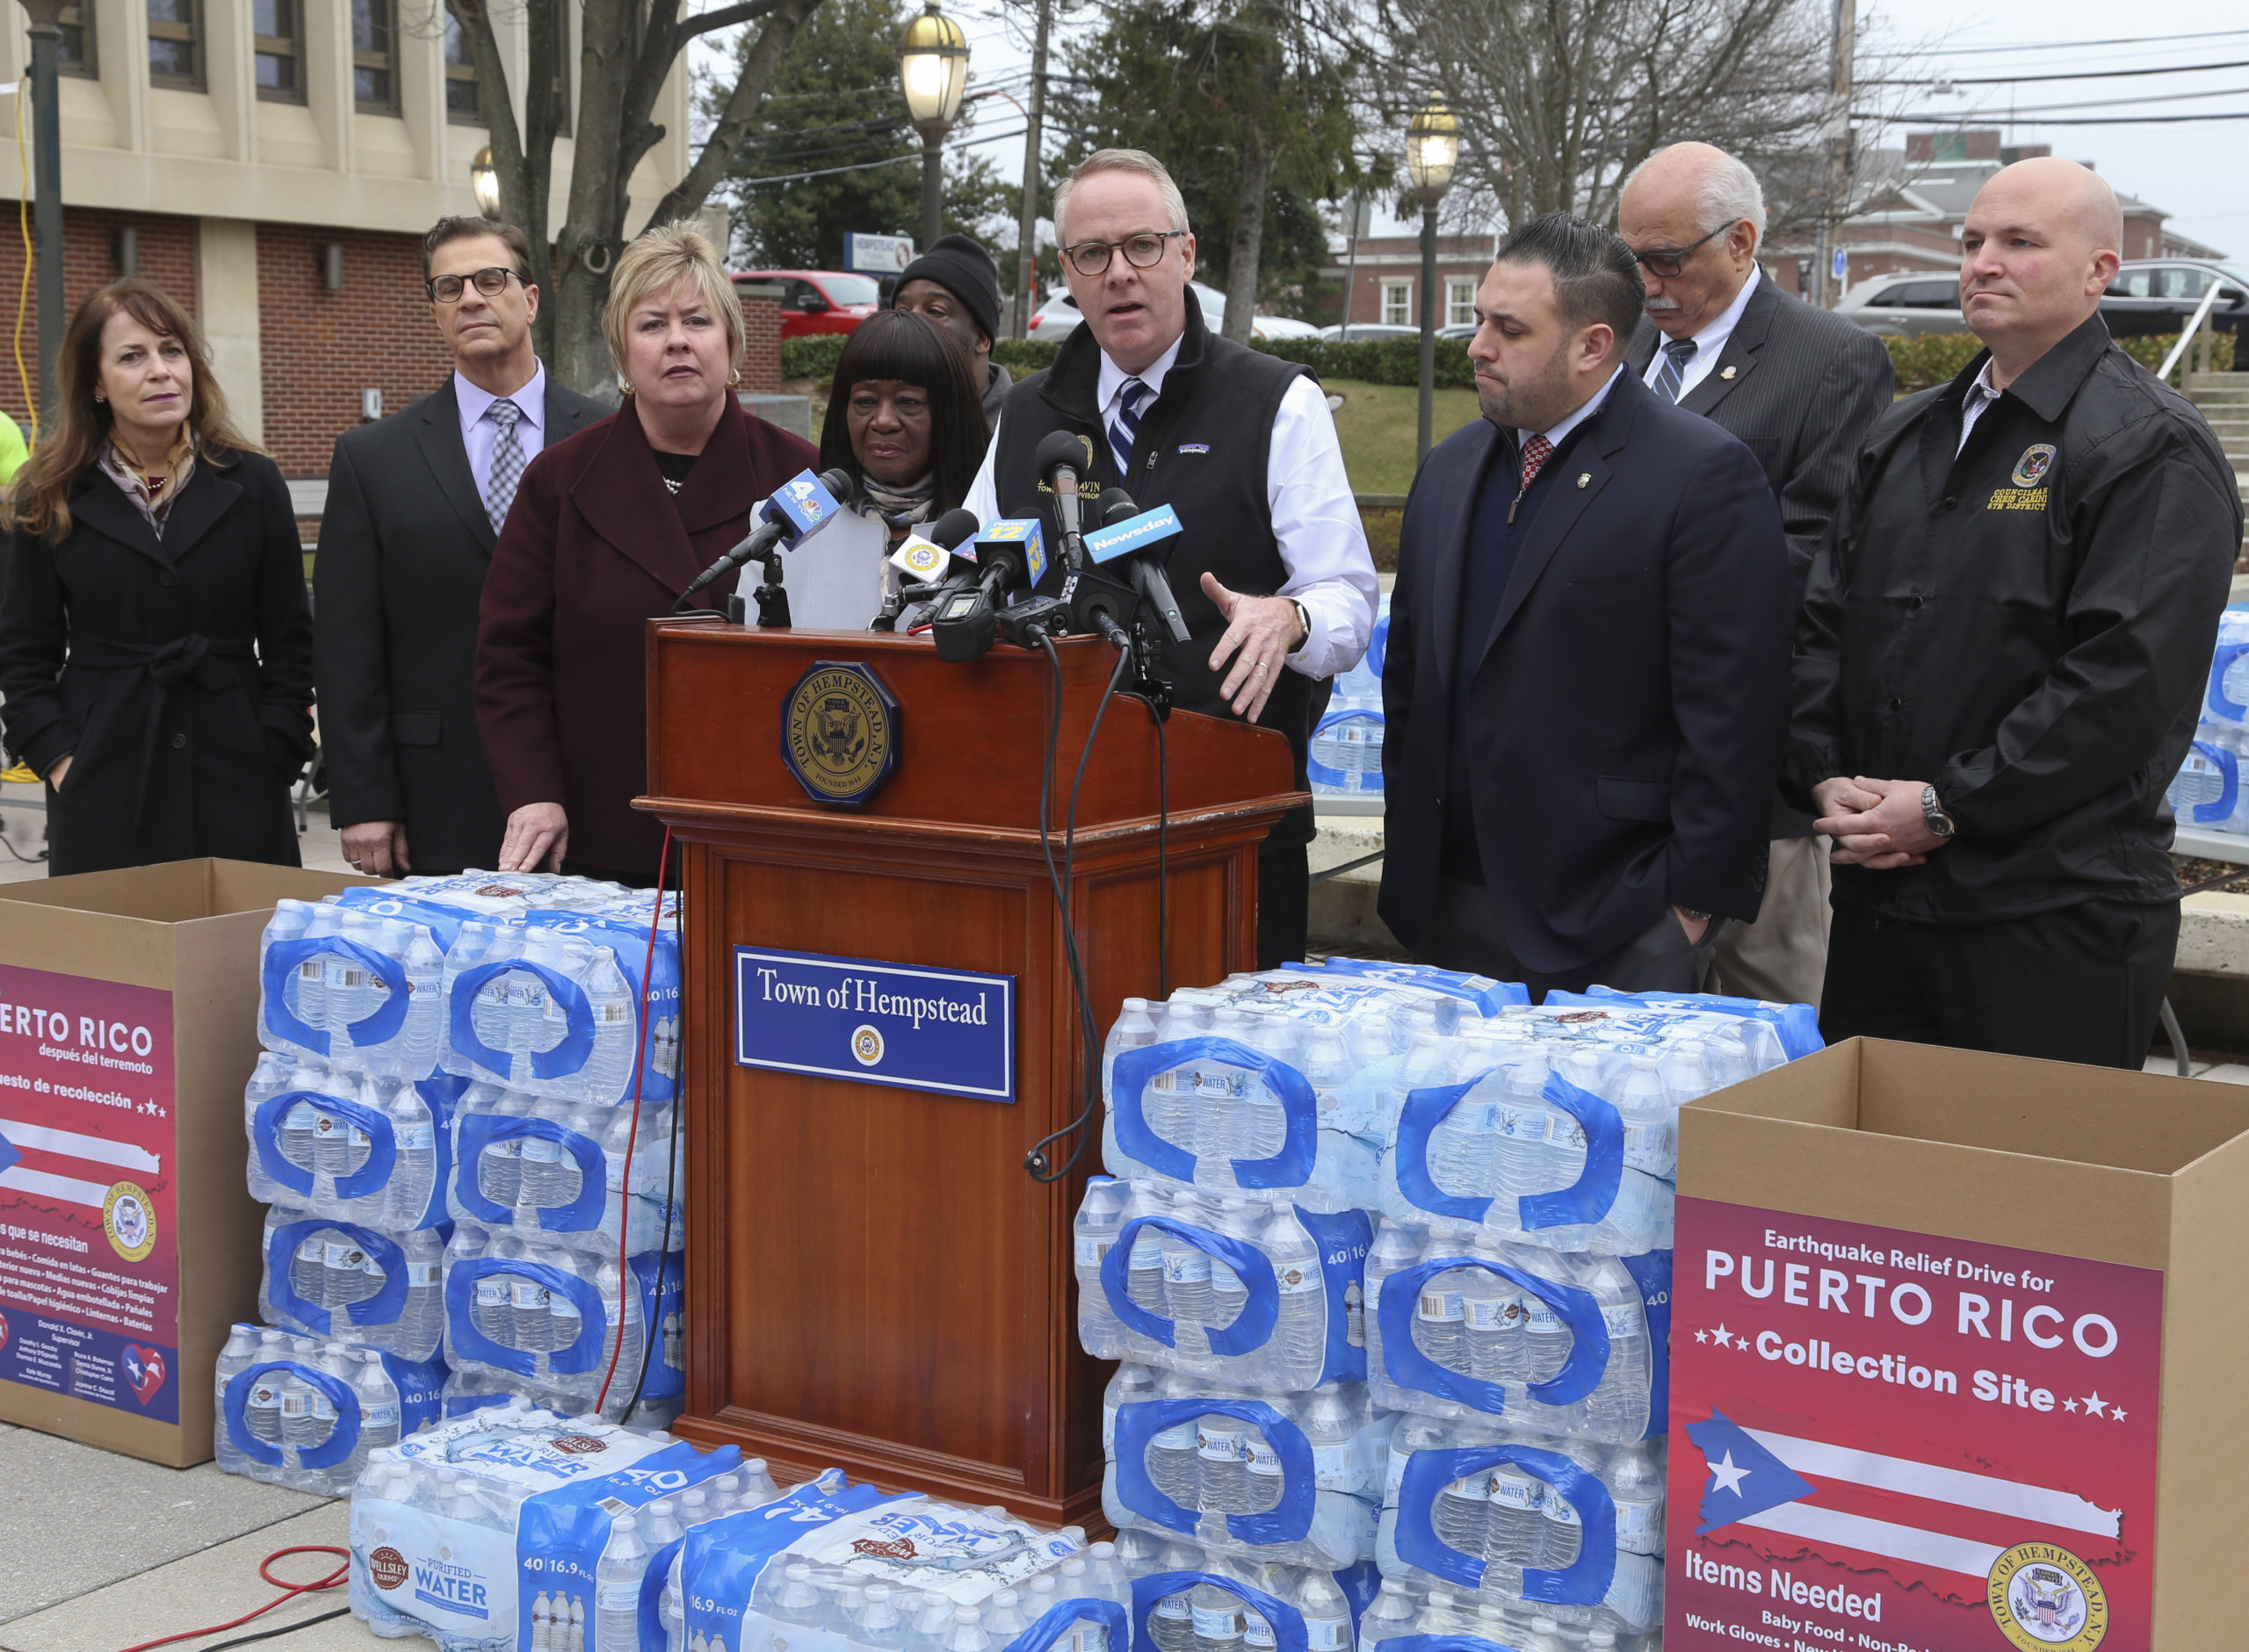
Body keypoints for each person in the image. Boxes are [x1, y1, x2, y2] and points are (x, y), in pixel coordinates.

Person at [1789, 157, 2241, 1067]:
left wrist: (1946, 806)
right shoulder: (1903, 436)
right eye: (1971, 242)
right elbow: (1823, 623)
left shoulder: (2149, 446)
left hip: (2052, 916)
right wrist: (1825, 775)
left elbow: (2124, 682)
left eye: (2020, 242)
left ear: (2099, 271)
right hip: (1881, 902)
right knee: (1873, 1159)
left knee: (2028, 1160)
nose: (1982, 263)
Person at [963, 148, 1378, 970]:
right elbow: (969, 568)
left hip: (1232, 831)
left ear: (1186, 256)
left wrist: (1288, 617)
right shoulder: (1025, 416)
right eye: (1092, 253)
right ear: (1067, 274)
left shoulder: (1276, 403)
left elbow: (1350, 600)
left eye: (1142, 246)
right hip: (1057, 829)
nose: (1119, 272)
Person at [1378, 213, 1792, 996]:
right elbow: (1409, 680)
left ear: (1593, 345)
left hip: (1612, 917)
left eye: (1509, 329)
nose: (1477, 346)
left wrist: (1688, 905)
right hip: (1444, 909)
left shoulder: (1701, 475)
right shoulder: (1449, 468)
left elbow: (1737, 713)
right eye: (1479, 320)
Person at [1617, 142, 1894, 1011]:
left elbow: (1815, 556)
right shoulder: (1617, 348)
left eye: (1666, 259)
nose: (1646, 282)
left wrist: (1623, 589)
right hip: (1619, 772)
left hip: (1754, 780)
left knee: (1767, 1025)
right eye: (1631, 258)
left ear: (1740, 243)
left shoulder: (1831, 359)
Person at [476, 221, 818, 885]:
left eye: (698, 320)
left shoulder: (801, 478)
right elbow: (509, 659)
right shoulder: (559, 480)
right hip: (601, 836)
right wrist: (532, 791)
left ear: (731, 342)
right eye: (653, 324)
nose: (677, 341)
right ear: (622, 350)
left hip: (765, 831)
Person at [314, 217, 608, 878]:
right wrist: (364, 797)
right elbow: (346, 645)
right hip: (435, 794)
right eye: (449, 287)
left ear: (530, 299)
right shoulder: (372, 458)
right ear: (435, 312)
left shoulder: (609, 438)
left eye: (490, 279)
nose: (471, 298)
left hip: (588, 782)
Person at [0, 278, 314, 875]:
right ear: (95, 382)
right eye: (132, 356)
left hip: (237, 766)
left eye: (172, 350)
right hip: (105, 769)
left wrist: (275, 747)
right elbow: (22, 652)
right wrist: (60, 758)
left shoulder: (253, 482)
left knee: (242, 934)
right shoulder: (50, 491)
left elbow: (291, 640)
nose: (161, 371)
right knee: (116, 936)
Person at [756, 307, 987, 630]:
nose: (883, 421)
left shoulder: (988, 532)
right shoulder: (780, 527)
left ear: (950, 414)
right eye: (865, 401)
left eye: (908, 402)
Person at [892, 234, 1012, 429]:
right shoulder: (883, 423)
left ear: (982, 338)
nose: (911, 321)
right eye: (903, 311)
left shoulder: (1022, 431)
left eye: (935, 311)